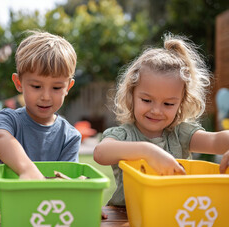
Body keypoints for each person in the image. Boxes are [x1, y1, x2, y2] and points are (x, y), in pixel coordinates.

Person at [93, 33, 229, 207]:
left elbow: (216, 141)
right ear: (131, 95)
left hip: (174, 217)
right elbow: (101, 153)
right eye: (147, 100)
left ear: (181, 103)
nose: (156, 110)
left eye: (168, 103)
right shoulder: (123, 134)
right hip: (127, 219)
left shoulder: (181, 134)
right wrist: (148, 151)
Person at [0, 31, 81, 207]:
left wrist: (83, 202)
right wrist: (27, 170)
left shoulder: (70, 136)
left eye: (56, 87)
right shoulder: (10, 119)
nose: (46, 96)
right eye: (36, 86)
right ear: (19, 83)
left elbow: (67, 181)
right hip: (12, 215)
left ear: (68, 87)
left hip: (52, 217)